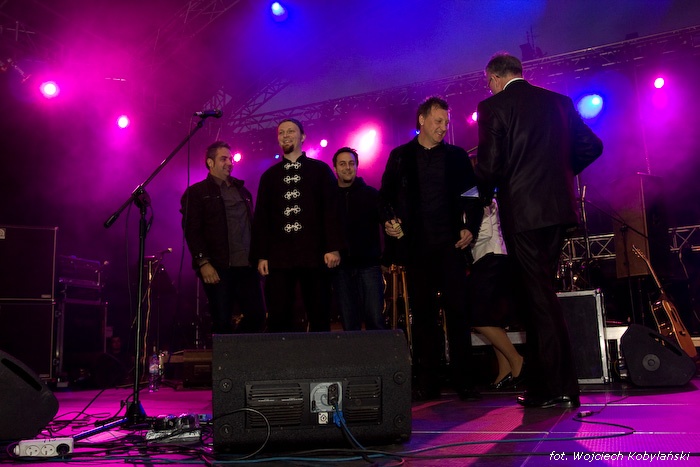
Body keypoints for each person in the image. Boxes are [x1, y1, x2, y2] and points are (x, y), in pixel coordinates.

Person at [475, 52, 603, 408]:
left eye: (488, 83)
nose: (489, 88)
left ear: (494, 78)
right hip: (558, 210)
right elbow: (593, 146)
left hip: (525, 214)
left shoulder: (493, 107)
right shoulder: (558, 102)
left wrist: (480, 192)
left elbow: (489, 167)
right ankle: (550, 385)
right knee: (541, 295)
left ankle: (557, 388)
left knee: (538, 299)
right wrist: (559, 171)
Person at [380, 96, 483, 401]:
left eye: (446, 122)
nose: (443, 127)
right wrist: (389, 221)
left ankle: (465, 381)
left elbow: (473, 196)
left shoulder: (457, 157)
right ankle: (429, 382)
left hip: (451, 246)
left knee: (458, 313)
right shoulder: (400, 156)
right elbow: (384, 197)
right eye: (438, 121)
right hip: (416, 249)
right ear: (422, 120)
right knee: (423, 316)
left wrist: (470, 227)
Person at [250, 118, 344, 332]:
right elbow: (262, 218)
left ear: (302, 136)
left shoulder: (320, 170)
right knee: (279, 314)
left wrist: (333, 247)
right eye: (281, 132)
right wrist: (261, 255)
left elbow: (332, 211)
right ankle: (281, 354)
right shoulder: (269, 177)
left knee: (319, 312)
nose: (285, 136)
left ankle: (320, 353)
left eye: (290, 131)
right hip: (279, 256)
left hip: (315, 254)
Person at [180, 140, 266, 335]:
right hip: (219, 267)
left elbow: (253, 227)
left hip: (247, 266)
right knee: (221, 321)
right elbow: (192, 230)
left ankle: (237, 350)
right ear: (210, 162)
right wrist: (203, 262)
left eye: (230, 159)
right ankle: (227, 352)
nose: (229, 163)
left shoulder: (243, 191)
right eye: (223, 159)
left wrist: (260, 256)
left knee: (257, 316)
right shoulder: (197, 192)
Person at [468, 197, 524, 390]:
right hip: (489, 256)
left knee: (478, 317)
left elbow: (484, 231)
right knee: (491, 318)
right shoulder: (477, 194)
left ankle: (516, 360)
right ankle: (505, 368)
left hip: (490, 256)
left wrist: (461, 235)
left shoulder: (481, 194)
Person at [331, 147, 386, 331]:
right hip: (341, 268)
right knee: (349, 324)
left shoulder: (371, 194)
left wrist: (386, 258)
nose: (347, 167)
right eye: (342, 164)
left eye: (351, 163)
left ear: (357, 166)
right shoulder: (329, 198)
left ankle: (378, 352)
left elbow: (388, 225)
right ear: (335, 168)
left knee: (375, 320)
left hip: (369, 265)